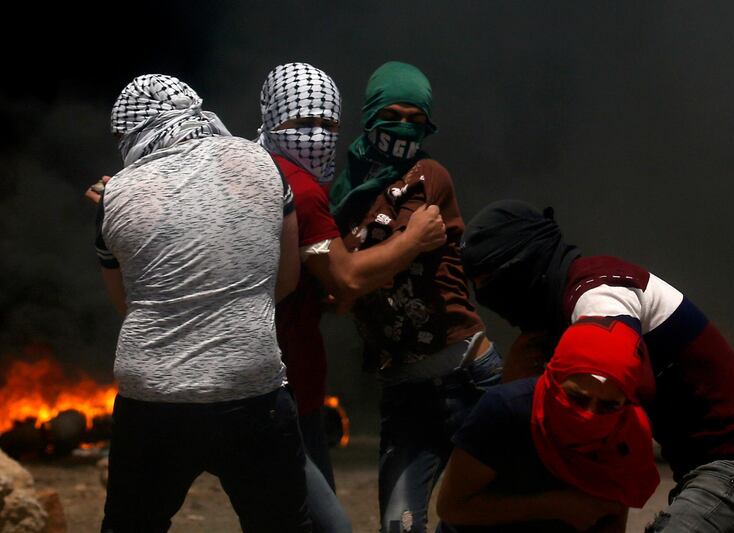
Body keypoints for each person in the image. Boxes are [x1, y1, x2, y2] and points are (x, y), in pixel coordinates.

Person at [459, 199, 734, 533]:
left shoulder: (599, 293)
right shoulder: (572, 307)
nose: (493, 300)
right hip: (710, 467)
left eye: (493, 282)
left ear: (523, 266)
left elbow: (602, 393)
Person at [94, 74, 309, 532]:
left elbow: (126, 305)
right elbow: (287, 280)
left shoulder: (115, 193)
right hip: (251, 391)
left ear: (131, 127)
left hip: (151, 399)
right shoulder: (264, 165)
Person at [257, 62, 447, 533]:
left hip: (295, 380)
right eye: (301, 124)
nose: (316, 136)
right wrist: (411, 240)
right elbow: (344, 281)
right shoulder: (303, 191)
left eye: (326, 125)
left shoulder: (254, 171)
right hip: (272, 382)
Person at [328, 61, 503, 532]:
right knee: (398, 525)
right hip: (406, 389)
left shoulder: (428, 176)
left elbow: (364, 270)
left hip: (469, 377)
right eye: (394, 115)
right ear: (370, 115)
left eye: (415, 119)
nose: (404, 128)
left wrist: (358, 267)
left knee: (487, 515)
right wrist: (364, 268)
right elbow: (341, 291)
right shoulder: (344, 196)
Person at [436, 317, 660, 532]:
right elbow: (451, 508)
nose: (589, 416)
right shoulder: (506, 410)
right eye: (577, 398)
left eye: (607, 406)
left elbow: (614, 517)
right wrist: (556, 506)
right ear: (552, 376)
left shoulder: (629, 430)